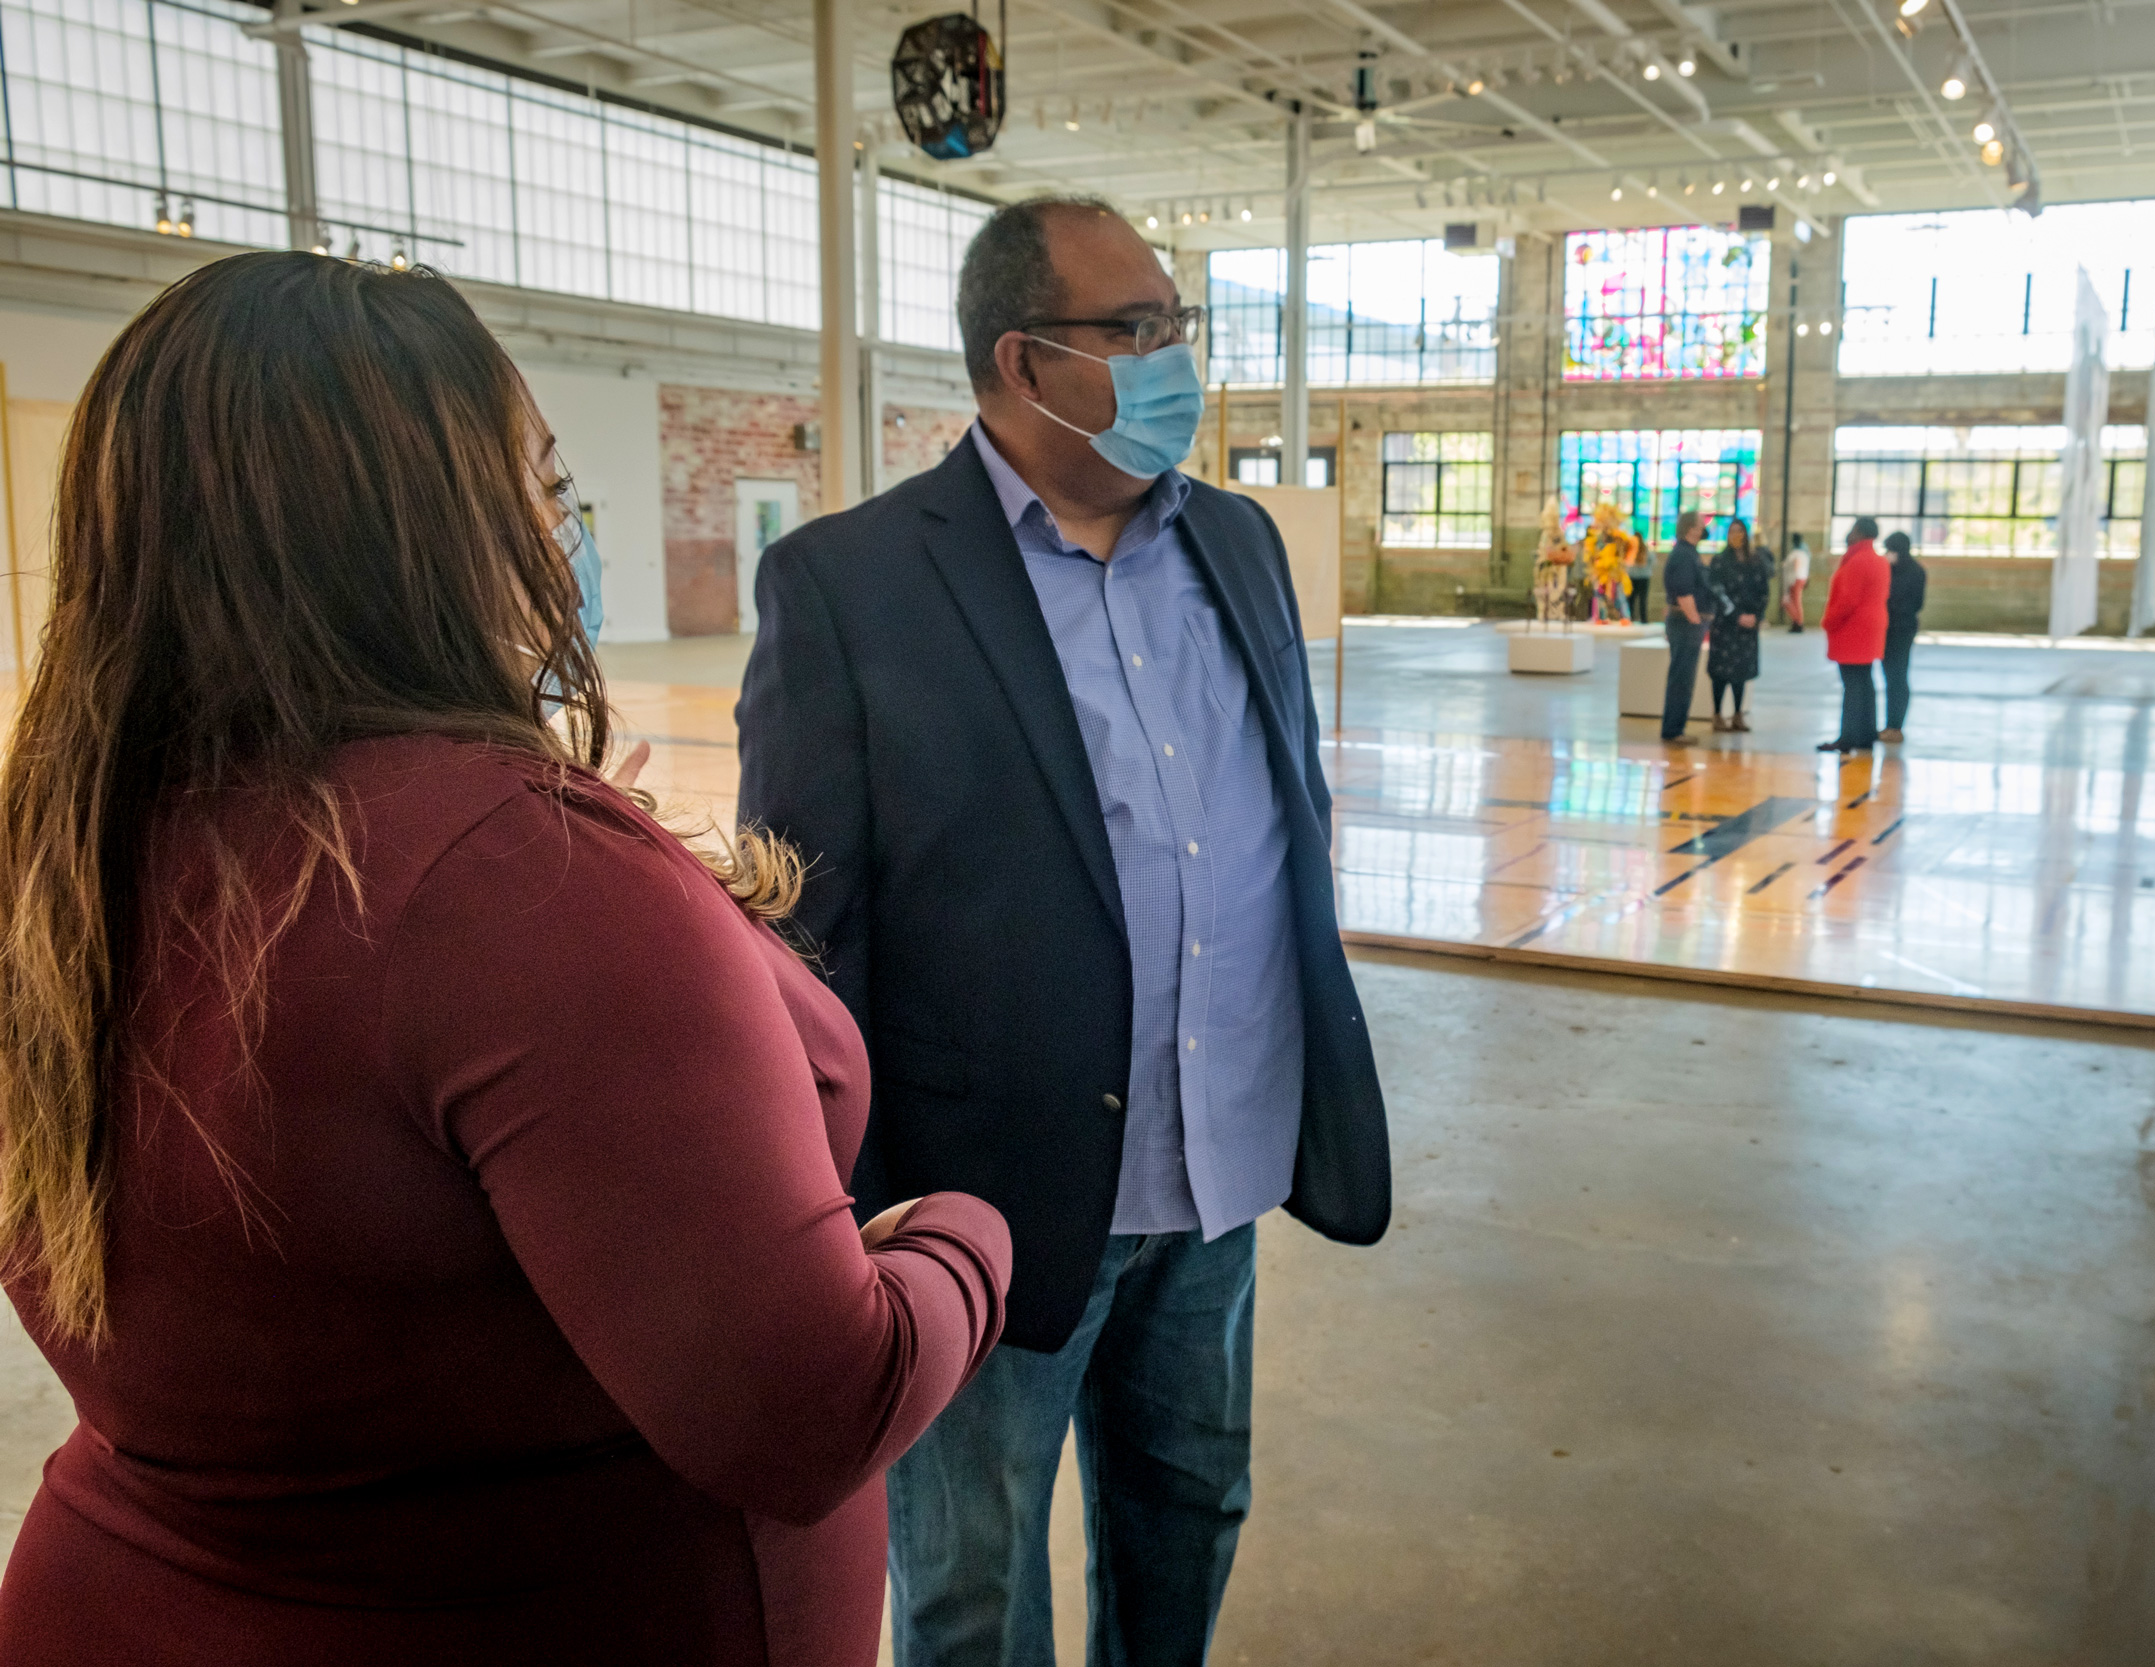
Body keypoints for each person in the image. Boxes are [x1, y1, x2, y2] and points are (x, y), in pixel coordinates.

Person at [0, 251, 1011, 1667]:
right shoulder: (515, 874)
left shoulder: (73, 842)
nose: (566, 526)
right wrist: (962, 1232)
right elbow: (810, 1405)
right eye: (539, 484)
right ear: (412, 524)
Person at [736, 195, 1391, 1667]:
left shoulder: (1236, 541)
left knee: (1191, 1501)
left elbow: (1288, 806)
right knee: (972, 1580)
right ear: (1025, 362)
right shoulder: (851, 586)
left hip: (1217, 1160)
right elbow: (804, 937)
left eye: (1179, 328)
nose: (1176, 360)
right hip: (990, 1198)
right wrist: (853, 1203)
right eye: (1139, 331)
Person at [1818, 516, 1891, 755]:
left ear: (1858, 532)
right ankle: (1867, 735)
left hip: (1853, 628)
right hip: (1872, 627)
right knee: (1864, 681)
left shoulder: (1857, 561)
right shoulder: (1880, 561)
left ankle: (1847, 737)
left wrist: (1828, 622)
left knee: (1852, 684)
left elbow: (1847, 601)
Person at [1706, 517, 1770, 733]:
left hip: (1748, 626)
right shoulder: (1720, 561)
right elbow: (1716, 591)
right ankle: (1716, 714)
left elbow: (1764, 591)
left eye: (1740, 531)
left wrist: (1756, 616)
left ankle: (1737, 714)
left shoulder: (1756, 561)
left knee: (1741, 672)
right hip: (1726, 625)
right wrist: (1735, 615)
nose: (1736, 536)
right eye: (1732, 532)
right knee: (1721, 672)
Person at [1658, 509, 1713, 744]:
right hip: (1686, 624)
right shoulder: (1683, 555)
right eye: (1701, 525)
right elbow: (1683, 591)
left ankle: (1676, 727)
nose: (1704, 529)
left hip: (1687, 623)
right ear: (1691, 528)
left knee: (1684, 676)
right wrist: (1696, 620)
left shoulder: (1689, 553)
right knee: (1682, 677)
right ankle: (1673, 729)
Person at [1880, 529, 1927, 742]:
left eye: (1890, 550)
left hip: (1902, 629)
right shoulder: (1888, 569)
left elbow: (1916, 603)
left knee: (1897, 677)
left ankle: (1895, 726)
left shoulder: (1915, 571)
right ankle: (1890, 724)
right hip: (1887, 629)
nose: (1888, 554)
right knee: (1890, 677)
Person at [1784, 533, 1812, 632]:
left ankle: (1798, 622)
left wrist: (1794, 575)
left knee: (1792, 602)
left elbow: (1796, 563)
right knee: (1796, 602)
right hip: (1801, 578)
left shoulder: (1796, 553)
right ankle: (1796, 622)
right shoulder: (1805, 553)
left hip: (1795, 579)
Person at [1627, 529, 1653, 623]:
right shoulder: (1646, 550)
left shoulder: (1631, 550)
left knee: (1631, 600)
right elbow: (1653, 561)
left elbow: (1627, 564)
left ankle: (1630, 618)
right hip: (1644, 577)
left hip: (1633, 577)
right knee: (1643, 600)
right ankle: (1644, 619)